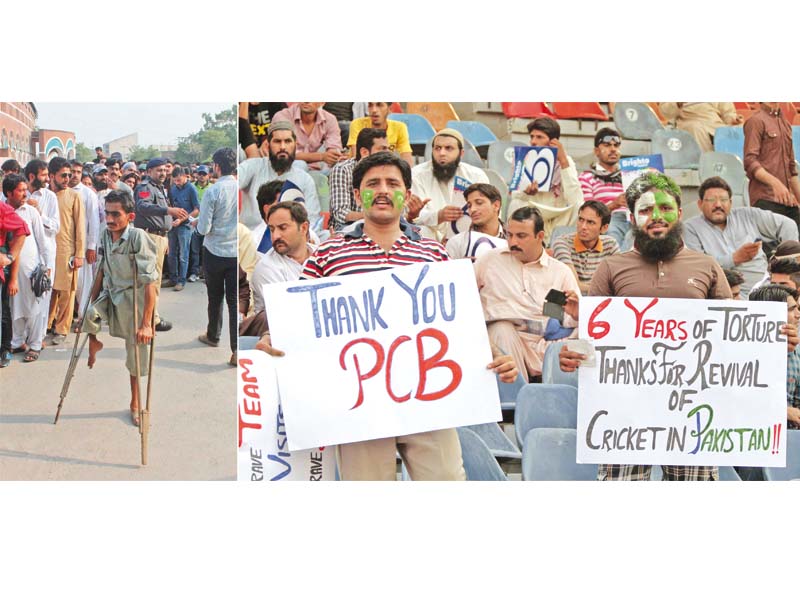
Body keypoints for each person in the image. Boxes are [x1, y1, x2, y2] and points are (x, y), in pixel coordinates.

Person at [257, 151, 518, 480]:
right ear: (357, 194)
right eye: (372, 183)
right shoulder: (328, 253)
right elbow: (299, 319)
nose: (382, 190)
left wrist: (493, 355)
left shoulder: (434, 253)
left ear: (407, 196)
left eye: (393, 183)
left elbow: (460, 325)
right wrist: (273, 337)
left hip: (429, 402)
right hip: (359, 405)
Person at [558, 172, 753, 481]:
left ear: (679, 212)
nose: (657, 216)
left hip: (693, 408)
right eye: (646, 209)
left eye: (665, 207)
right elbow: (591, 335)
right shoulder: (612, 267)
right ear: (633, 218)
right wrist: (573, 353)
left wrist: (775, 342)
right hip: (625, 411)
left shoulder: (708, 266)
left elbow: (731, 335)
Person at [475, 205, 581, 382]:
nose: (513, 242)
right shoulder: (489, 261)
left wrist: (575, 313)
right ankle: (516, 404)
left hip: (540, 346)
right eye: (509, 235)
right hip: (497, 346)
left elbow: (562, 317)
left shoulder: (558, 272)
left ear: (540, 236)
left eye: (521, 236)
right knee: (502, 329)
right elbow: (462, 295)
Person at [83, 190, 158, 426]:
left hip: (135, 298)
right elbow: (102, 270)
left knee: (136, 355)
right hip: (111, 292)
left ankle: (135, 403)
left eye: (116, 214)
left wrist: (146, 323)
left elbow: (149, 283)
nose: (111, 219)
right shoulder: (106, 234)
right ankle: (95, 341)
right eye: (107, 213)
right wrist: (91, 300)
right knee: (88, 314)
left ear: (130, 216)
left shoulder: (138, 238)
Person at [683, 175, 798, 296]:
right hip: (725, 295)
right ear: (700, 204)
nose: (718, 204)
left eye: (723, 199)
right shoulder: (690, 228)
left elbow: (788, 225)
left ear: (731, 202)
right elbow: (698, 267)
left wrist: (785, 262)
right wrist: (734, 258)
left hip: (765, 289)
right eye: (711, 200)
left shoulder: (747, 215)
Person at [133, 157, 188, 332]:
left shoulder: (160, 188)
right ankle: (151, 319)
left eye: (165, 170)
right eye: (158, 170)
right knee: (151, 281)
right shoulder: (145, 187)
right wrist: (168, 210)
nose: (163, 173)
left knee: (154, 280)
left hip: (160, 237)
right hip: (149, 237)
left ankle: (151, 315)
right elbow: (143, 207)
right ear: (149, 172)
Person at [507, 117, 583, 243]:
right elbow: (515, 194)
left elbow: (574, 198)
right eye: (532, 137)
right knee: (516, 203)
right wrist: (526, 193)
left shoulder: (565, 160)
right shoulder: (523, 158)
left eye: (539, 137)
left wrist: (563, 161)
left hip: (557, 215)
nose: (533, 142)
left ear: (553, 141)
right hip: (532, 212)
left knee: (579, 207)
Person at [195, 148, 238, 367]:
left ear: (217, 167)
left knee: (215, 297)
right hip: (236, 252)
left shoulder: (213, 191)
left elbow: (203, 228)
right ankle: (236, 350)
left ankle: (213, 335)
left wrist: (194, 223)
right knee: (234, 301)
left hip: (215, 251)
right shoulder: (241, 189)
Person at [237, 121, 320, 230]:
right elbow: (231, 184)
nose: (282, 147)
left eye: (287, 141)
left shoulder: (304, 179)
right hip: (252, 237)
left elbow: (312, 219)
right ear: (268, 145)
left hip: (290, 239)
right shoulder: (253, 166)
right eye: (277, 141)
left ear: (295, 144)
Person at [412, 128, 490, 242]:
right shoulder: (417, 174)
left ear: (461, 153)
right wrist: (439, 216)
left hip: (466, 235)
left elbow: (487, 210)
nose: (442, 153)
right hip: (431, 237)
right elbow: (414, 216)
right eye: (437, 148)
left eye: (448, 148)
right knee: (422, 230)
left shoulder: (476, 175)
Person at [5, 174, 51, 362]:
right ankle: (17, 342)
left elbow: (42, 241)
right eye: (21, 190)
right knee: (14, 306)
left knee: (34, 307)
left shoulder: (30, 212)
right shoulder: (4, 211)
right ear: (9, 193)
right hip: (10, 270)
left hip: (32, 270)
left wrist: (47, 266)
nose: (25, 194)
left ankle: (35, 344)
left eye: (26, 190)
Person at [250, 201, 316, 320]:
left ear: (304, 228)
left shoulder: (323, 255)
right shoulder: (266, 268)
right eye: (271, 229)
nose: (275, 236)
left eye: (282, 228)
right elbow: (293, 315)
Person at [748, 284, 800, 431]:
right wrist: (782, 411)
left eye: (797, 308)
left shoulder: (796, 350)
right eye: (791, 309)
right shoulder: (744, 352)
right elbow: (740, 398)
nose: (798, 314)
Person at [744, 102, 800, 232]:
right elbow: (750, 161)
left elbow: (792, 169)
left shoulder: (785, 123)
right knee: (772, 250)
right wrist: (776, 183)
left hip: (787, 202)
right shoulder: (755, 121)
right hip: (765, 200)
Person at [46, 157, 85, 345]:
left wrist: (79, 254)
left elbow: (80, 227)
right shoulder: (43, 195)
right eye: (63, 175)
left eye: (69, 175)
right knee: (48, 290)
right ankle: (46, 326)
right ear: (52, 175)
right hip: (47, 251)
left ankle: (62, 328)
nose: (67, 178)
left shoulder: (74, 196)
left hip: (66, 250)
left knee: (66, 293)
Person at [24, 159, 60, 342]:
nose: (48, 179)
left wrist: (39, 213)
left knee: (43, 294)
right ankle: (22, 338)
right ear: (32, 176)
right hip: (24, 255)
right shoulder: (19, 195)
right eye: (44, 175)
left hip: (45, 254)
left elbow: (55, 227)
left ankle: (37, 340)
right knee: (24, 296)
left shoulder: (49, 197)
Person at [550, 200, 619, 294]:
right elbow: (572, 285)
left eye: (590, 222)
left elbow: (618, 283)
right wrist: (604, 289)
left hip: (600, 303)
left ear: (604, 228)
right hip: (571, 302)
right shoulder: (562, 243)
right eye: (581, 219)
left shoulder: (610, 245)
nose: (583, 226)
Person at [329, 127, 389, 231]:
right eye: (382, 149)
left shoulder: (388, 171)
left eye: (388, 149)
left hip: (381, 226)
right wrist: (375, 217)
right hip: (347, 228)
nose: (388, 153)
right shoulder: (343, 170)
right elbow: (341, 213)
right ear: (364, 152)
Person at [578, 128, 629, 248]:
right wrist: (614, 205)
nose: (613, 149)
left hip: (634, 220)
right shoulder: (587, 177)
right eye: (607, 145)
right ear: (596, 151)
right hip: (609, 222)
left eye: (616, 146)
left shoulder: (629, 175)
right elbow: (588, 213)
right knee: (612, 231)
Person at [0, 180, 31, 368]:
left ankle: (4, 349)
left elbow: (22, 230)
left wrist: (10, 257)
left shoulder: (2, 210)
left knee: (2, 312)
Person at [69, 160, 100, 318]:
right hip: (64, 245)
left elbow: (94, 222)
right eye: (72, 171)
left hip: (83, 247)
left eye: (78, 172)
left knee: (83, 284)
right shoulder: (59, 191)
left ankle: (83, 318)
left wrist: (91, 246)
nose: (74, 175)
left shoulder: (88, 194)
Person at [272, 102, 344, 171]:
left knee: (339, 167)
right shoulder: (283, 116)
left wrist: (332, 155)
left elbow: (334, 148)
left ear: (322, 102)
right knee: (300, 165)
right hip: (288, 166)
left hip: (318, 169)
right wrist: (321, 156)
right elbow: (284, 153)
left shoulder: (330, 119)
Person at [445, 182, 506, 260]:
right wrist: (462, 267)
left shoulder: (514, 240)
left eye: (479, 203)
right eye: (469, 206)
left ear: (496, 205)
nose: (472, 209)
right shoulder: (457, 243)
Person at [346, 102, 413, 167]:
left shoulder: (400, 127)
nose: (374, 110)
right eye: (370, 105)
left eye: (379, 105)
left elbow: (406, 157)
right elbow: (357, 157)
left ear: (390, 109)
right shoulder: (357, 124)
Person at [166, 167, 200, 291]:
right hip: (173, 224)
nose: (177, 183)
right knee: (171, 254)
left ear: (185, 176)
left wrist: (183, 219)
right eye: (175, 181)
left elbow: (197, 210)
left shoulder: (191, 189)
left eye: (179, 180)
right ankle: (173, 278)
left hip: (185, 226)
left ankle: (181, 280)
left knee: (183, 255)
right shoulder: (173, 189)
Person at [659, 102, 743, 152]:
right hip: (688, 121)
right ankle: (707, 165)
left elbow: (727, 113)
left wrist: (734, 118)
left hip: (714, 124)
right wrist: (677, 103)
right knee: (697, 128)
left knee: (742, 128)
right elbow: (666, 113)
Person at [188, 165, 213, 282]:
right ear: (196, 175)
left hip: (209, 223)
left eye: (204, 174)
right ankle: (194, 272)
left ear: (209, 175)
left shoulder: (213, 188)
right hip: (193, 223)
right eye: (200, 174)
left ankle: (206, 273)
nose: (202, 176)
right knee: (195, 249)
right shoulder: (191, 187)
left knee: (207, 250)